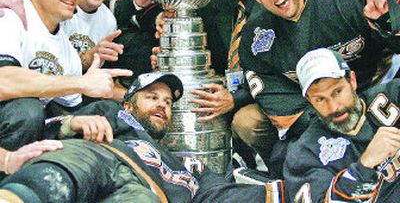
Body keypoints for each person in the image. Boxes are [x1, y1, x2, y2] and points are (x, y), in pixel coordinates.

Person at [231, 0, 400, 177]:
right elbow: (281, 107)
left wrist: (385, 22)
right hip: (320, 107)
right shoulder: (256, 40)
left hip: (380, 86)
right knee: (247, 121)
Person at [0, 72, 284, 202]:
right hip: (101, 153)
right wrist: (72, 121)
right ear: (129, 104)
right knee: (60, 173)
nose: (162, 104)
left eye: (168, 102)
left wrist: (293, 195)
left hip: (145, 190)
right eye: (152, 97)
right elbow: (45, 131)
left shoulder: (183, 165)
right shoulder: (107, 112)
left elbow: (222, 195)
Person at [0, 0, 132, 150]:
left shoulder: (65, 48)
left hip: (29, 129)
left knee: (106, 112)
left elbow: (57, 113)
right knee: (26, 111)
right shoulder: (10, 17)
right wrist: (81, 83)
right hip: (16, 120)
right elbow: (4, 82)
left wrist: (72, 123)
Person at [284, 47, 400, 202]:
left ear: (352, 80)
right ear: (309, 101)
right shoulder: (306, 153)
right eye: (320, 99)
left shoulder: (393, 95)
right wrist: (364, 166)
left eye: (337, 92)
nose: (334, 107)